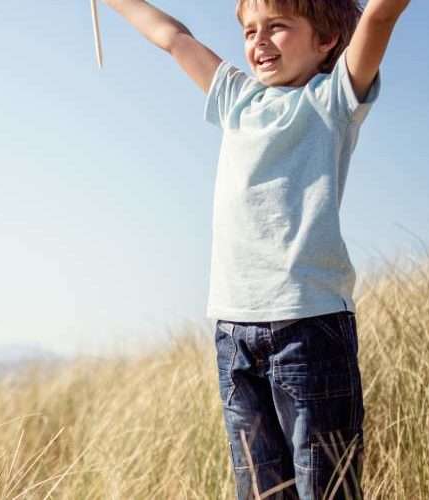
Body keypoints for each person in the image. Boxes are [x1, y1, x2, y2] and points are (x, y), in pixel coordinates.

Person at [102, 0, 409, 498]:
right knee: (262, 490)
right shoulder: (235, 99)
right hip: (234, 335)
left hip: (308, 330)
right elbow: (173, 37)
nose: (258, 41)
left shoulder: (332, 101)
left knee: (325, 488)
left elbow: (378, 17)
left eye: (278, 27)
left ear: (326, 41)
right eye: (249, 31)